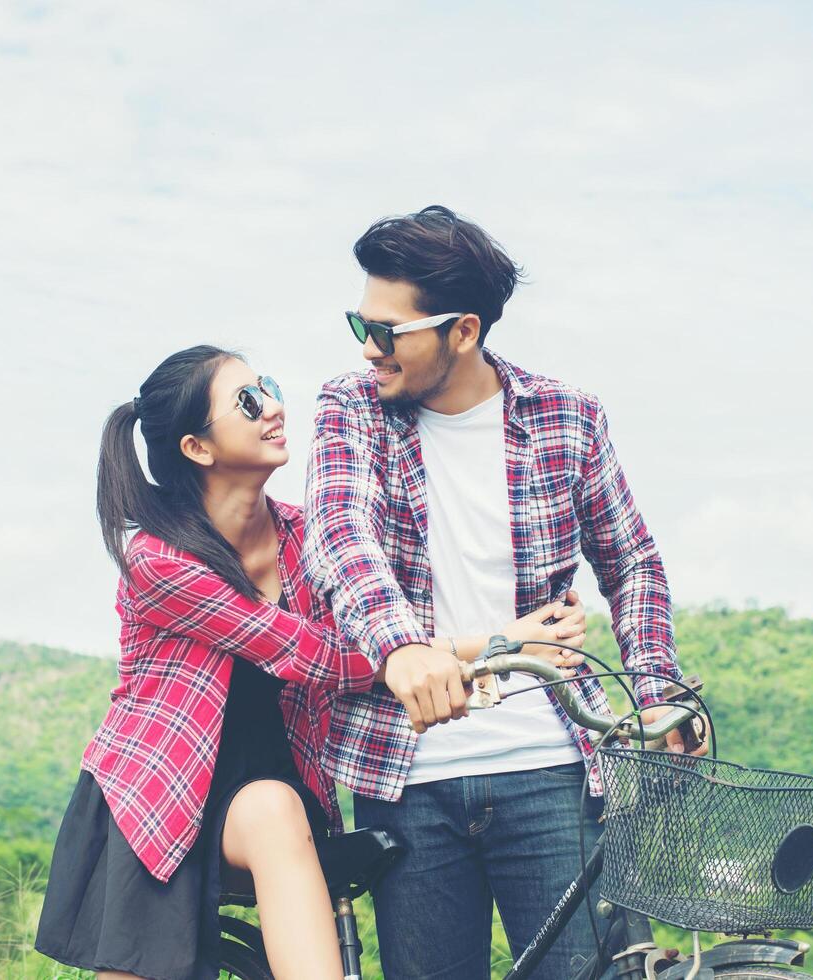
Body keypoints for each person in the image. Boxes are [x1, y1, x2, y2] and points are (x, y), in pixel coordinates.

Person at [35, 344, 587, 980]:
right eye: (247, 400)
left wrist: (491, 648)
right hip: (162, 794)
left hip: (273, 797)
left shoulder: (306, 536)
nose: (274, 407)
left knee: (274, 808)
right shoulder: (158, 560)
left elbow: (382, 628)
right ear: (197, 448)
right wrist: (498, 646)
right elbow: (312, 655)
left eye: (266, 386)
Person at [304, 206, 703, 979]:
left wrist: (656, 689)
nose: (367, 346)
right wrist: (402, 649)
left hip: (552, 768)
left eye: (388, 331)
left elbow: (632, 564)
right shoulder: (349, 409)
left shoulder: (567, 417)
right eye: (360, 321)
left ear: (463, 330)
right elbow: (339, 535)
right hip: (406, 772)